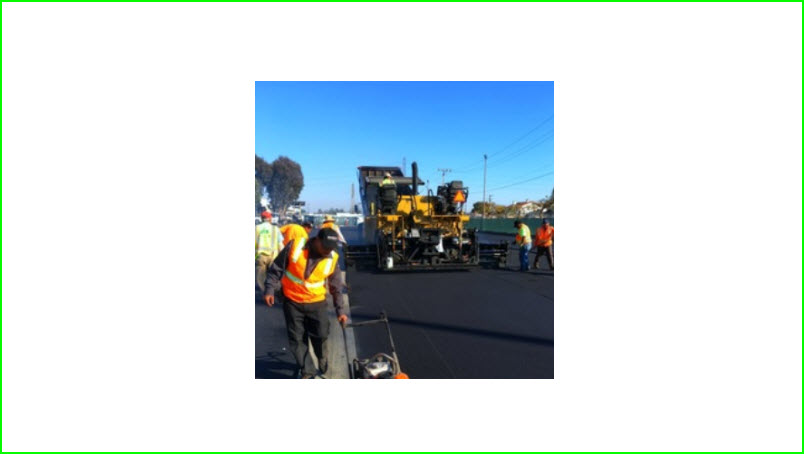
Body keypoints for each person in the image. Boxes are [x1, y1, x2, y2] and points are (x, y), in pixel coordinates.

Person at [263, 228, 348, 378]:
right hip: (292, 301)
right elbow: (276, 268)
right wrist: (269, 289)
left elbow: (336, 287)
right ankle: (307, 370)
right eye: (325, 247)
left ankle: (322, 356)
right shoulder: (295, 246)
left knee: (321, 334)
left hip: (317, 303)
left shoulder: (332, 258)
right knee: (297, 339)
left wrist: (340, 311)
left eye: (331, 248)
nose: (328, 251)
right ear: (317, 240)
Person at [255, 211, 284, 296]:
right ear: (270, 219)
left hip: (260, 256)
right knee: (273, 276)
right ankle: (273, 293)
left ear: (261, 218)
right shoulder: (275, 229)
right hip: (273, 256)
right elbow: (280, 244)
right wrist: (283, 256)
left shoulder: (256, 228)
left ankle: (264, 293)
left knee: (261, 277)